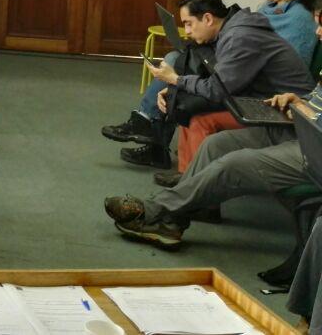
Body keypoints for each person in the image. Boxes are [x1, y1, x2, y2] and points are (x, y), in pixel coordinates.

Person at [104, 85, 320, 250]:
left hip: (316, 147)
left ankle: (154, 210)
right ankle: (170, 224)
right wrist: (300, 102)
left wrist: (311, 115)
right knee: (216, 144)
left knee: (234, 165)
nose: (318, 38)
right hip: (301, 129)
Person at [127, 0, 315, 174]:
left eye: (189, 24)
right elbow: (220, 79)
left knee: (200, 119)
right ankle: (187, 176)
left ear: (208, 19)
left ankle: (193, 180)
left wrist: (177, 80)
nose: (188, 31)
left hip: (286, 112)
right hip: (257, 97)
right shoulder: (231, 30)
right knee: (185, 106)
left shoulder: (239, 37)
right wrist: (176, 89)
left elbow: (216, 89)